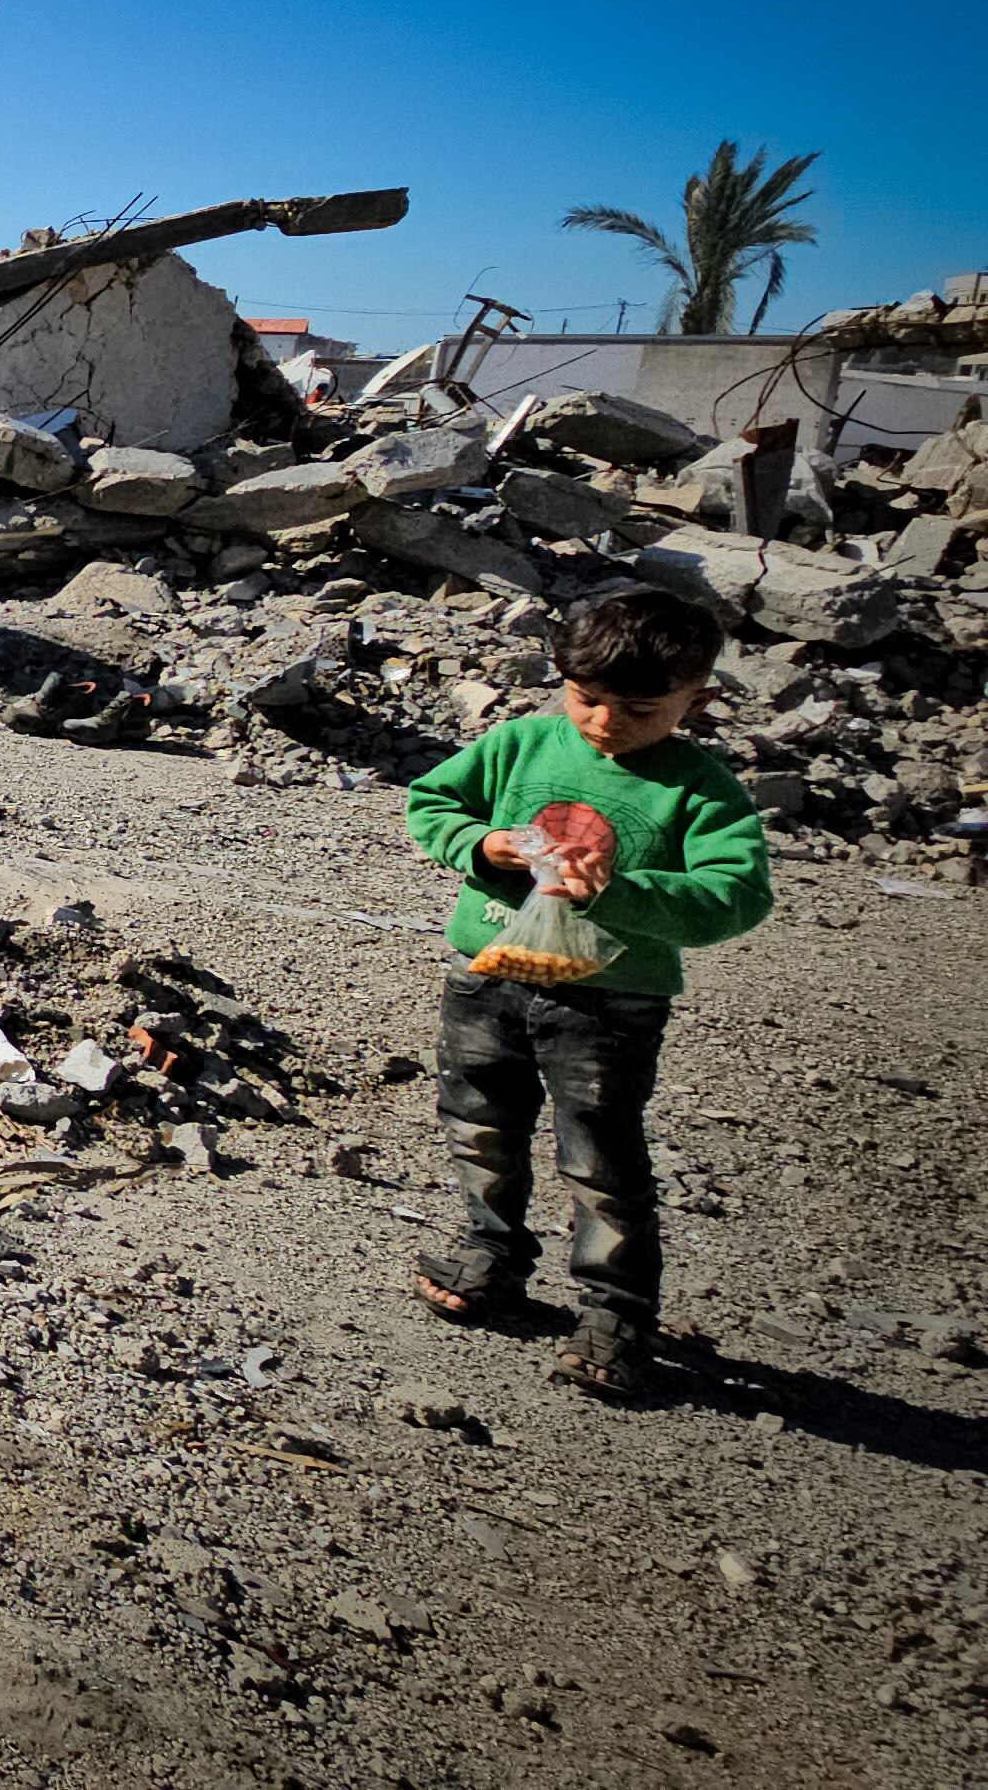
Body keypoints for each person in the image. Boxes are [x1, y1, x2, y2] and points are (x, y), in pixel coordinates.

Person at [401, 583, 771, 1399]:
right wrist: (484, 844)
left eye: (639, 709)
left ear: (696, 698)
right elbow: (430, 803)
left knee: (600, 1158)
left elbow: (734, 899)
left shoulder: (700, 790)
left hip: (610, 1005)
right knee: (479, 1126)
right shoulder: (522, 744)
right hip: (489, 977)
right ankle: (492, 1254)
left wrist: (619, 891)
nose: (604, 723)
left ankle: (617, 1313)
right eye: (586, 699)